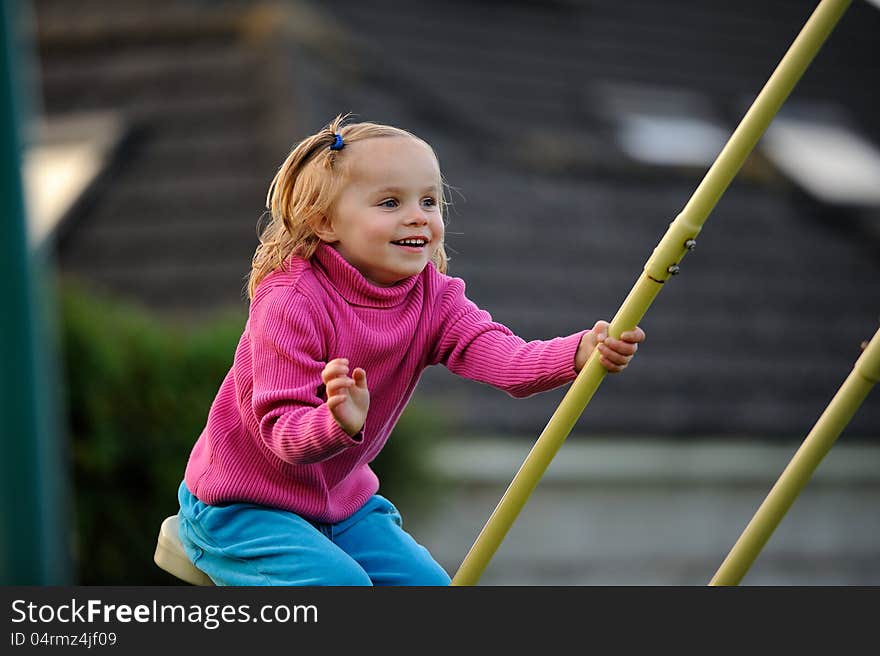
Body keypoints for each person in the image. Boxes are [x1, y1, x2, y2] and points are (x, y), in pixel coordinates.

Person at [176, 114, 646, 586]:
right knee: (343, 587)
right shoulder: (291, 302)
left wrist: (579, 353)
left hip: (342, 503)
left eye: (429, 201)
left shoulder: (433, 298)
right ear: (324, 221)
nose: (418, 215)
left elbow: (507, 360)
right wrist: (336, 421)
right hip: (243, 505)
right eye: (389, 202)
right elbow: (282, 432)